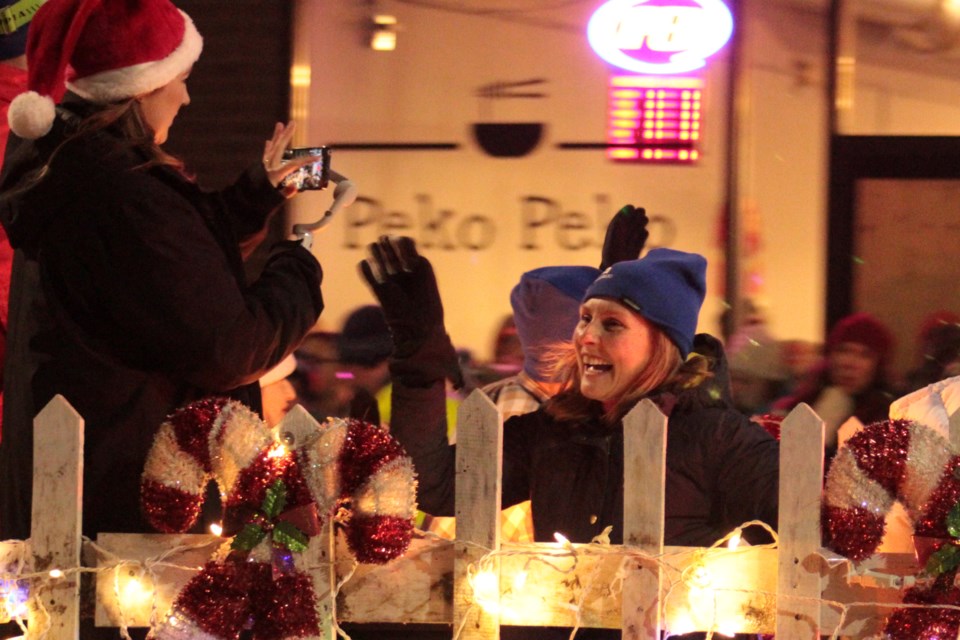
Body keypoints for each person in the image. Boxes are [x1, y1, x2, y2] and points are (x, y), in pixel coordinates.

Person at [0, 0, 325, 548]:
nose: (187, 97)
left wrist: (255, 196)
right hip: (135, 502)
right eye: (181, 79)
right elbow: (228, 348)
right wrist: (298, 265)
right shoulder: (124, 199)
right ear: (139, 88)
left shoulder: (75, 169)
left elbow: (164, 271)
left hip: (82, 484)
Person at [362, 237, 780, 639]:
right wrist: (420, 356)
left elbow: (798, 540)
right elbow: (435, 485)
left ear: (663, 345)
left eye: (612, 324)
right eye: (585, 318)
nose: (586, 337)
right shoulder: (556, 431)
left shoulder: (716, 437)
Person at [771, 312, 898, 464]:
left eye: (865, 355)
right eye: (844, 351)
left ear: (878, 365)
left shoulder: (890, 418)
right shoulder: (800, 406)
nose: (850, 363)